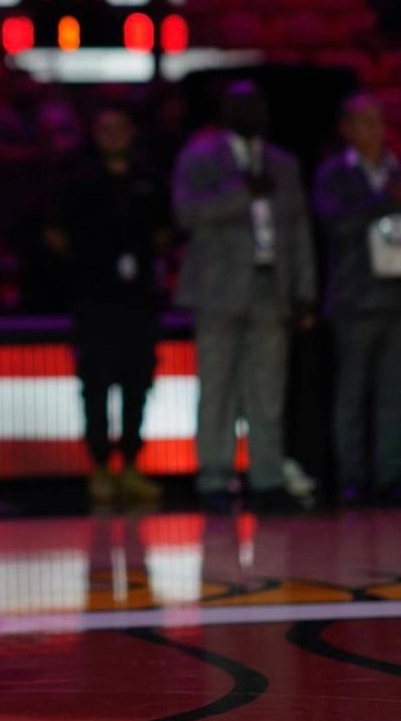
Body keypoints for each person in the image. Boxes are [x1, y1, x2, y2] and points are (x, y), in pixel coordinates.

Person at [172, 79, 318, 513]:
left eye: (258, 104)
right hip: (218, 289)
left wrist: (305, 290)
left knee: (267, 389)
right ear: (225, 112)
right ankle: (214, 477)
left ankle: (266, 477)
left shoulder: (283, 164)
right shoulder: (199, 158)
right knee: (216, 387)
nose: (253, 111)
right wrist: (240, 196)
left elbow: (299, 230)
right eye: (242, 105)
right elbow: (186, 213)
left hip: (271, 285)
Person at [45, 100, 172, 508]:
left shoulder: (149, 178)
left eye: (121, 128)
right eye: (105, 129)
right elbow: (54, 233)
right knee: (95, 383)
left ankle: (132, 465)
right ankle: (99, 466)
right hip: (94, 299)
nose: (114, 137)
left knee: (138, 381)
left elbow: (166, 232)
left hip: (139, 301)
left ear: (132, 133)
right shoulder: (77, 179)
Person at [312, 93, 401, 505]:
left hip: (396, 297)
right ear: (346, 129)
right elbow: (335, 222)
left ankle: (390, 475)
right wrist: (383, 200)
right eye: (363, 121)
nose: (373, 130)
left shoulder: (397, 169)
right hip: (354, 301)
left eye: (377, 120)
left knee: (392, 394)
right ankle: (352, 477)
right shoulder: (334, 174)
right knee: (352, 393)